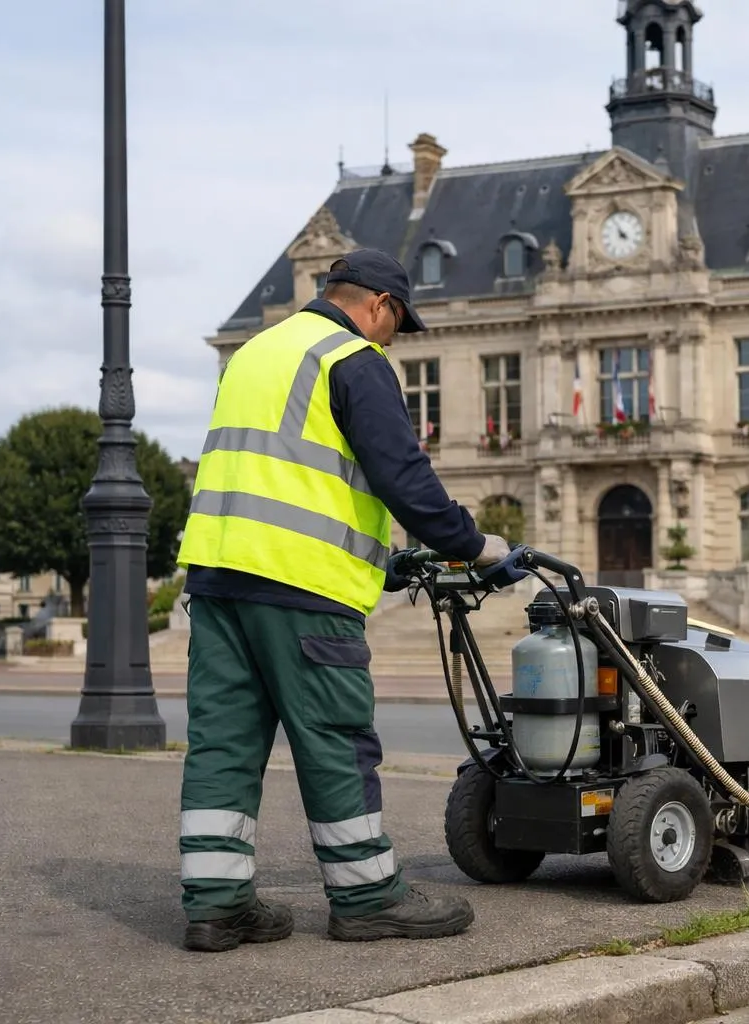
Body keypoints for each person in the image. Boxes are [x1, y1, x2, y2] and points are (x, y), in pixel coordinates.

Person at [173, 248, 510, 953]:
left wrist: (383, 562)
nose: (392, 339)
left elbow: (289, 481)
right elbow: (402, 476)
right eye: (396, 325)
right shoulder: (350, 357)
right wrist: (474, 545)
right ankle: (366, 896)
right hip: (302, 591)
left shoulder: (255, 355)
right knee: (333, 739)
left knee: (224, 747)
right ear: (378, 305)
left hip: (217, 578)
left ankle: (216, 905)